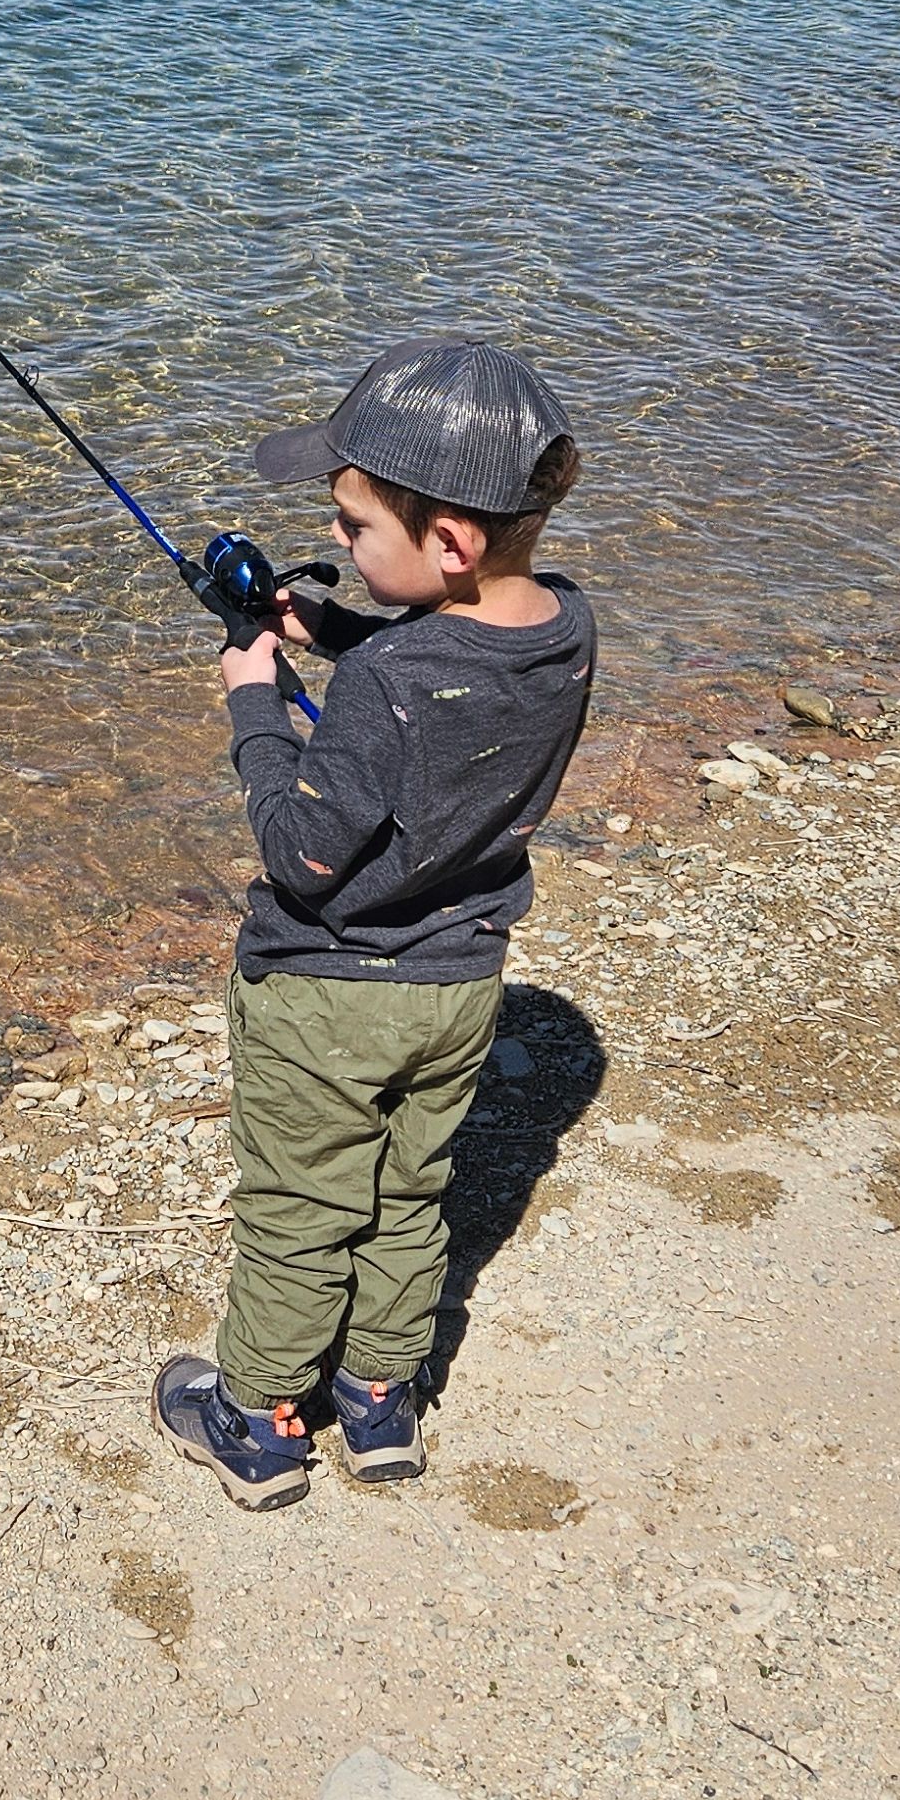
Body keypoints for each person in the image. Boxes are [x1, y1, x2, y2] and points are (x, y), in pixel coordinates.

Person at [154, 337, 593, 1507]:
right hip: (456, 984)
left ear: (447, 542)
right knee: (407, 1193)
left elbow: (302, 849)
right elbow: (453, 683)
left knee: (302, 1208)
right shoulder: (561, 629)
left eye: (353, 530)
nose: (340, 548)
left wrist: (256, 703)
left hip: (328, 996)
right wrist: (330, 630)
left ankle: (254, 1415)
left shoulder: (390, 685)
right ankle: (380, 1400)